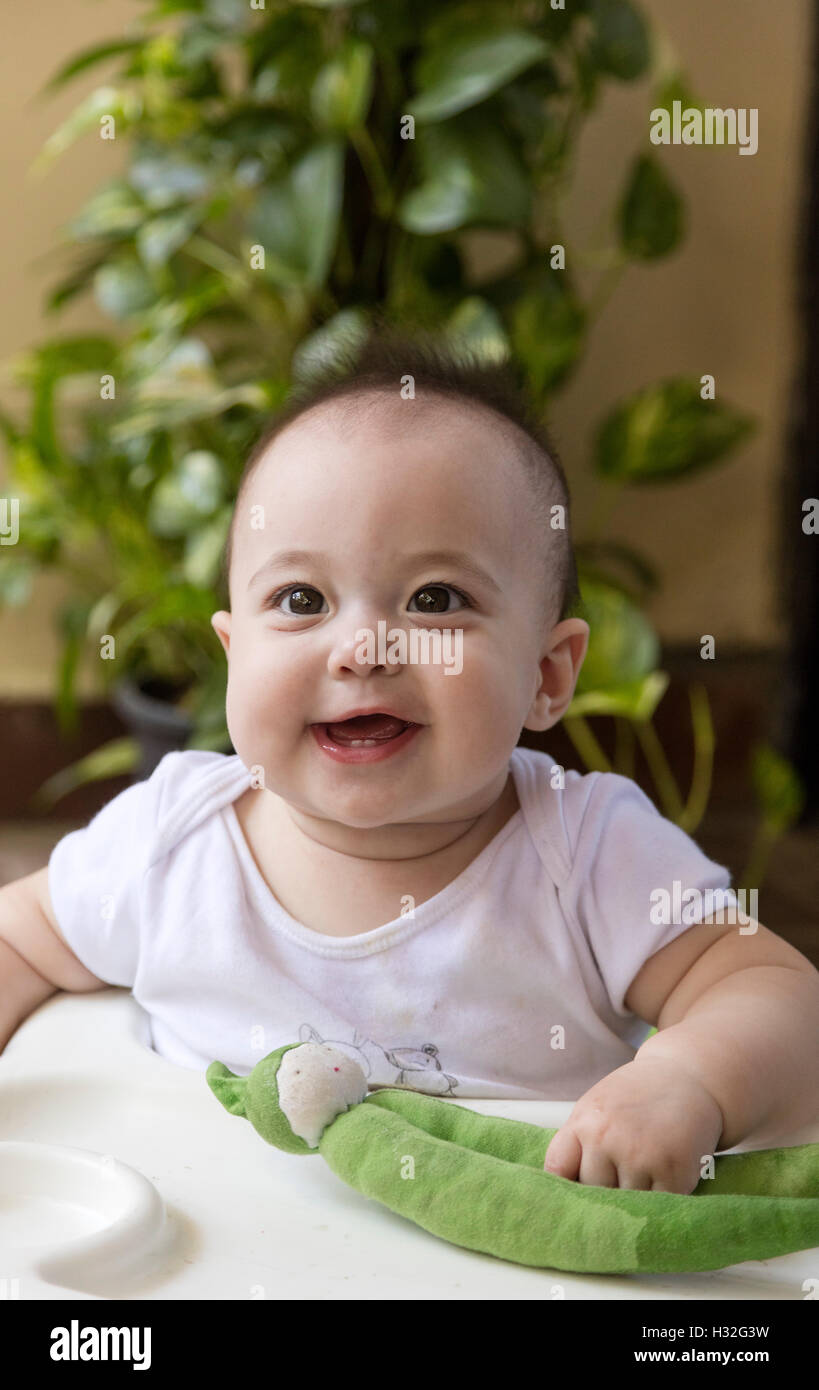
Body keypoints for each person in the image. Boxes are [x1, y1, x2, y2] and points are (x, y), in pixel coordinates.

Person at [3, 326, 818, 1194]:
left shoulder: (585, 856)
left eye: (434, 600)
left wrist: (685, 1082)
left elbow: (777, 997)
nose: (363, 646)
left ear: (545, 676)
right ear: (233, 655)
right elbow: (21, 939)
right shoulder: (168, 846)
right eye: (301, 599)